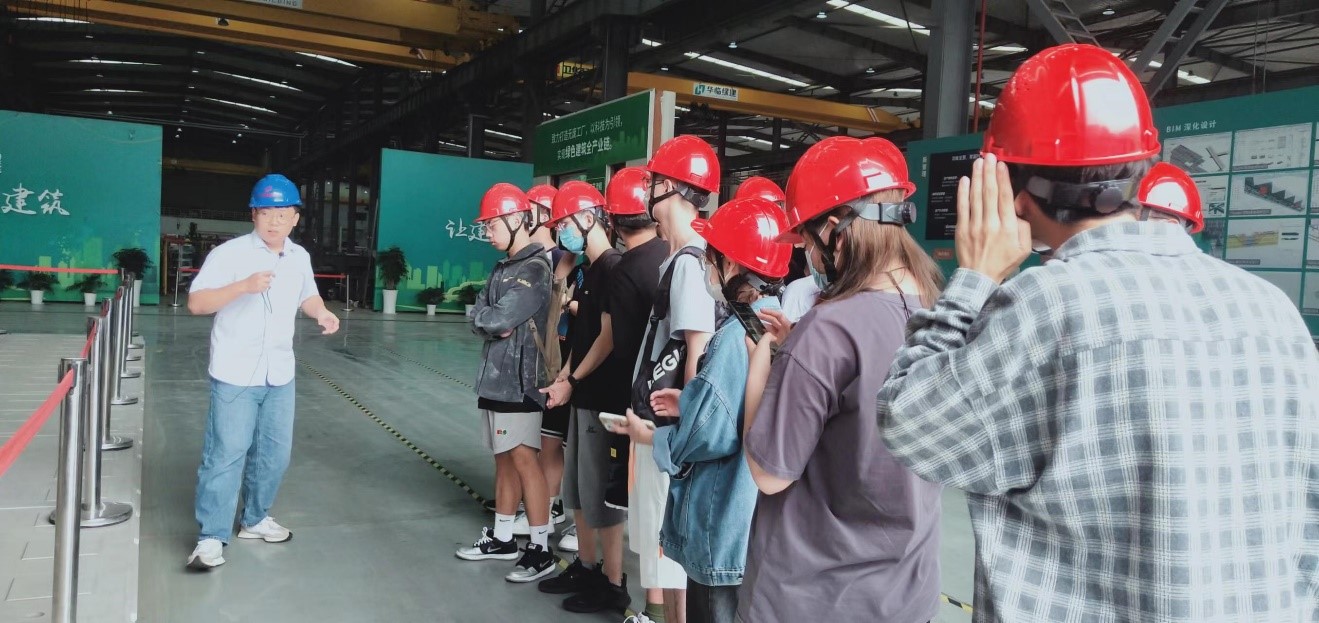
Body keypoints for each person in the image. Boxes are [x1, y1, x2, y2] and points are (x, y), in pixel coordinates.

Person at [877, 43, 1319, 621]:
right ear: (1142, 169)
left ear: (1014, 195)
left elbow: (910, 423)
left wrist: (976, 277)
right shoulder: (1273, 312)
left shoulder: (1044, 307)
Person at [737, 136, 945, 623]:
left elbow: (768, 474)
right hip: (907, 596)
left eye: (808, 243)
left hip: (814, 597)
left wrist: (762, 368)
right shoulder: (938, 312)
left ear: (835, 230)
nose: (807, 255)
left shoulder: (829, 328)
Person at [620, 196, 792, 623]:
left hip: (722, 522)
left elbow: (709, 434)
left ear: (730, 265)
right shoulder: (776, 324)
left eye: (711, 260)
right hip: (753, 524)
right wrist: (690, 401)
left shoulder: (733, 337)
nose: (706, 270)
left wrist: (655, 436)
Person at [186, 173, 341, 570]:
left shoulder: (299, 256)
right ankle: (211, 537)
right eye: (267, 212)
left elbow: (308, 295)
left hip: (280, 373)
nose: (275, 221)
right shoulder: (229, 254)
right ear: (253, 214)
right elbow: (197, 304)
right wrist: (242, 286)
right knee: (226, 454)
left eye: (283, 213)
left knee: (274, 455)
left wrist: (321, 312)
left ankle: (254, 519)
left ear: (295, 218)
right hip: (235, 373)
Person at [529, 181, 633, 614]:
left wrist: (573, 379)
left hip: (603, 395)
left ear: (590, 218)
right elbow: (583, 335)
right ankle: (587, 567)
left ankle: (612, 582)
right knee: (578, 489)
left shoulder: (614, 268)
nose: (562, 233)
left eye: (566, 223)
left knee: (600, 495)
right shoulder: (590, 271)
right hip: (582, 393)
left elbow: (607, 337)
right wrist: (566, 377)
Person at [455, 182, 557, 584]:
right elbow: (480, 314)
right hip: (495, 382)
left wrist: (489, 319)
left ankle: (540, 548)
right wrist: (487, 319)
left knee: (524, 460)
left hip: (520, 383)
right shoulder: (503, 268)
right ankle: (502, 539)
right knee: (503, 460)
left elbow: (498, 317)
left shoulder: (534, 269)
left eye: (492, 224)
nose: (487, 232)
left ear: (516, 220)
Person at [778, 138, 914, 323]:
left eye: (808, 243)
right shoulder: (928, 304)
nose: (806, 251)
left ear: (838, 235)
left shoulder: (826, 323)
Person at [508, 183, 571, 536]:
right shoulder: (528, 259)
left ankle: (549, 507)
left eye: (530, 209)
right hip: (533, 361)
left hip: (556, 362)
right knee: (535, 438)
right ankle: (533, 503)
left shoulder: (562, 259)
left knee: (550, 440)